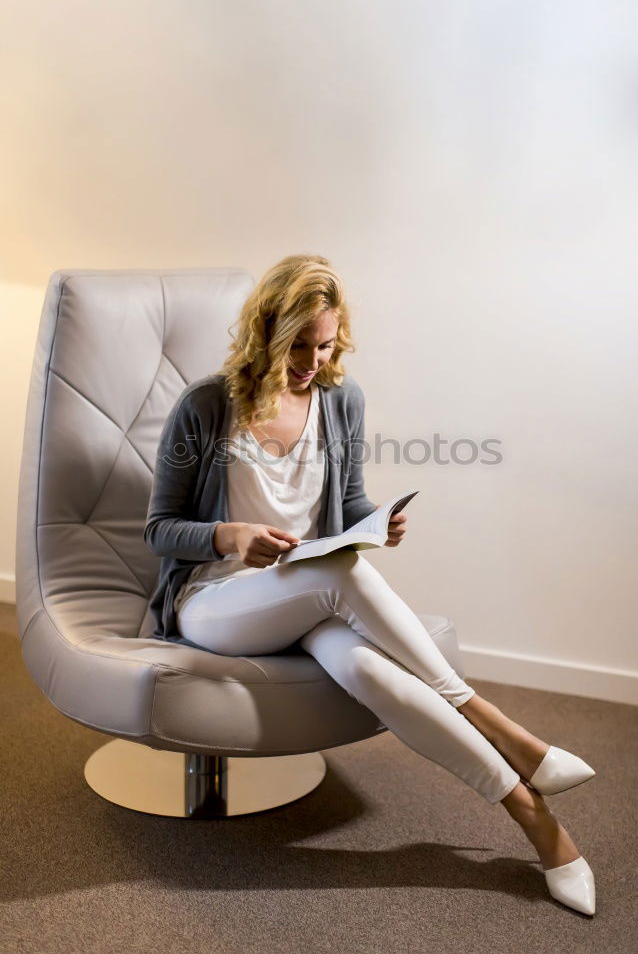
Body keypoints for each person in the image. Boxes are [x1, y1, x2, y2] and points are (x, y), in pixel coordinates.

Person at [144, 253, 596, 915]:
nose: (311, 362)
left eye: (324, 346)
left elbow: (347, 501)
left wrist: (375, 521)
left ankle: (536, 819)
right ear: (266, 330)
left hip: (306, 592)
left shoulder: (340, 399)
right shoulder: (208, 406)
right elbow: (159, 529)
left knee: (375, 673)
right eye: (297, 346)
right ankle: (501, 726)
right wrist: (230, 536)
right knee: (337, 571)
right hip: (214, 600)